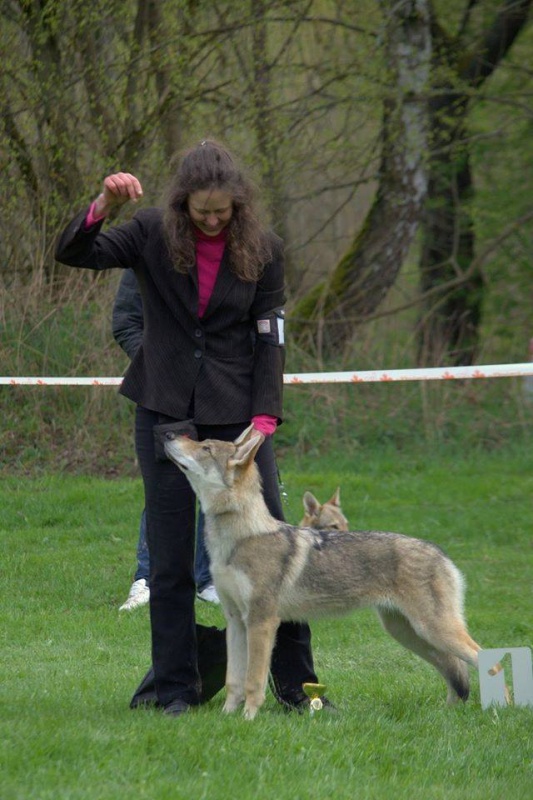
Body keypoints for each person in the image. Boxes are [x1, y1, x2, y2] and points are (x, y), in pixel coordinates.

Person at [55, 139, 332, 717]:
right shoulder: (152, 230)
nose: (211, 221)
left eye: (222, 212)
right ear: (183, 204)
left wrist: (265, 414)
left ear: (239, 206)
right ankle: (175, 690)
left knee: (275, 552)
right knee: (170, 561)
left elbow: (270, 336)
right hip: (164, 410)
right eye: (201, 211)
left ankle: (299, 690)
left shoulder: (265, 248)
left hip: (239, 420)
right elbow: (75, 254)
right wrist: (101, 205)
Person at [112, 269, 219, 610]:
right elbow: (126, 321)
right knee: (163, 485)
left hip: (220, 391)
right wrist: (158, 364)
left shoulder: (231, 254)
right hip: (162, 394)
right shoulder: (147, 253)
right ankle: (147, 577)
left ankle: (209, 579)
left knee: (214, 481)